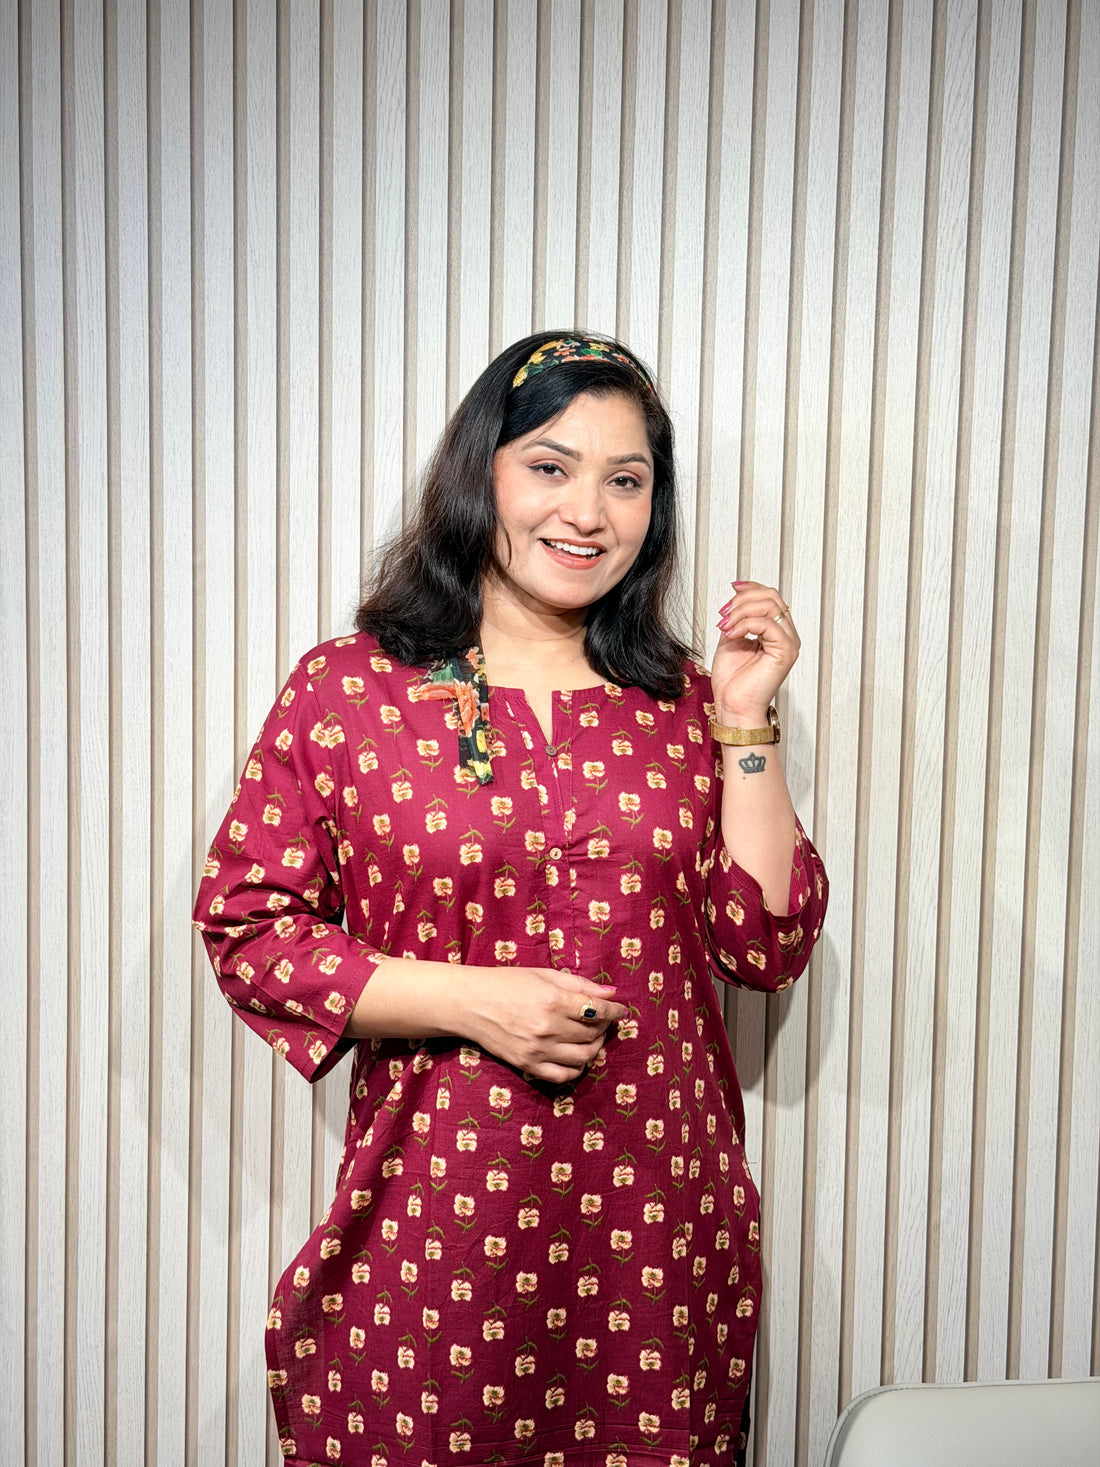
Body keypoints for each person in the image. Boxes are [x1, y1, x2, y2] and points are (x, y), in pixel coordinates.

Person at [193, 332, 828, 1467]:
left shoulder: (685, 701)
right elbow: (249, 929)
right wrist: (471, 1001)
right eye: (549, 466)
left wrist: (746, 719)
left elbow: (765, 944)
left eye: (625, 480)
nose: (587, 512)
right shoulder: (352, 689)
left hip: (653, 1254)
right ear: (479, 472)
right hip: (431, 1240)